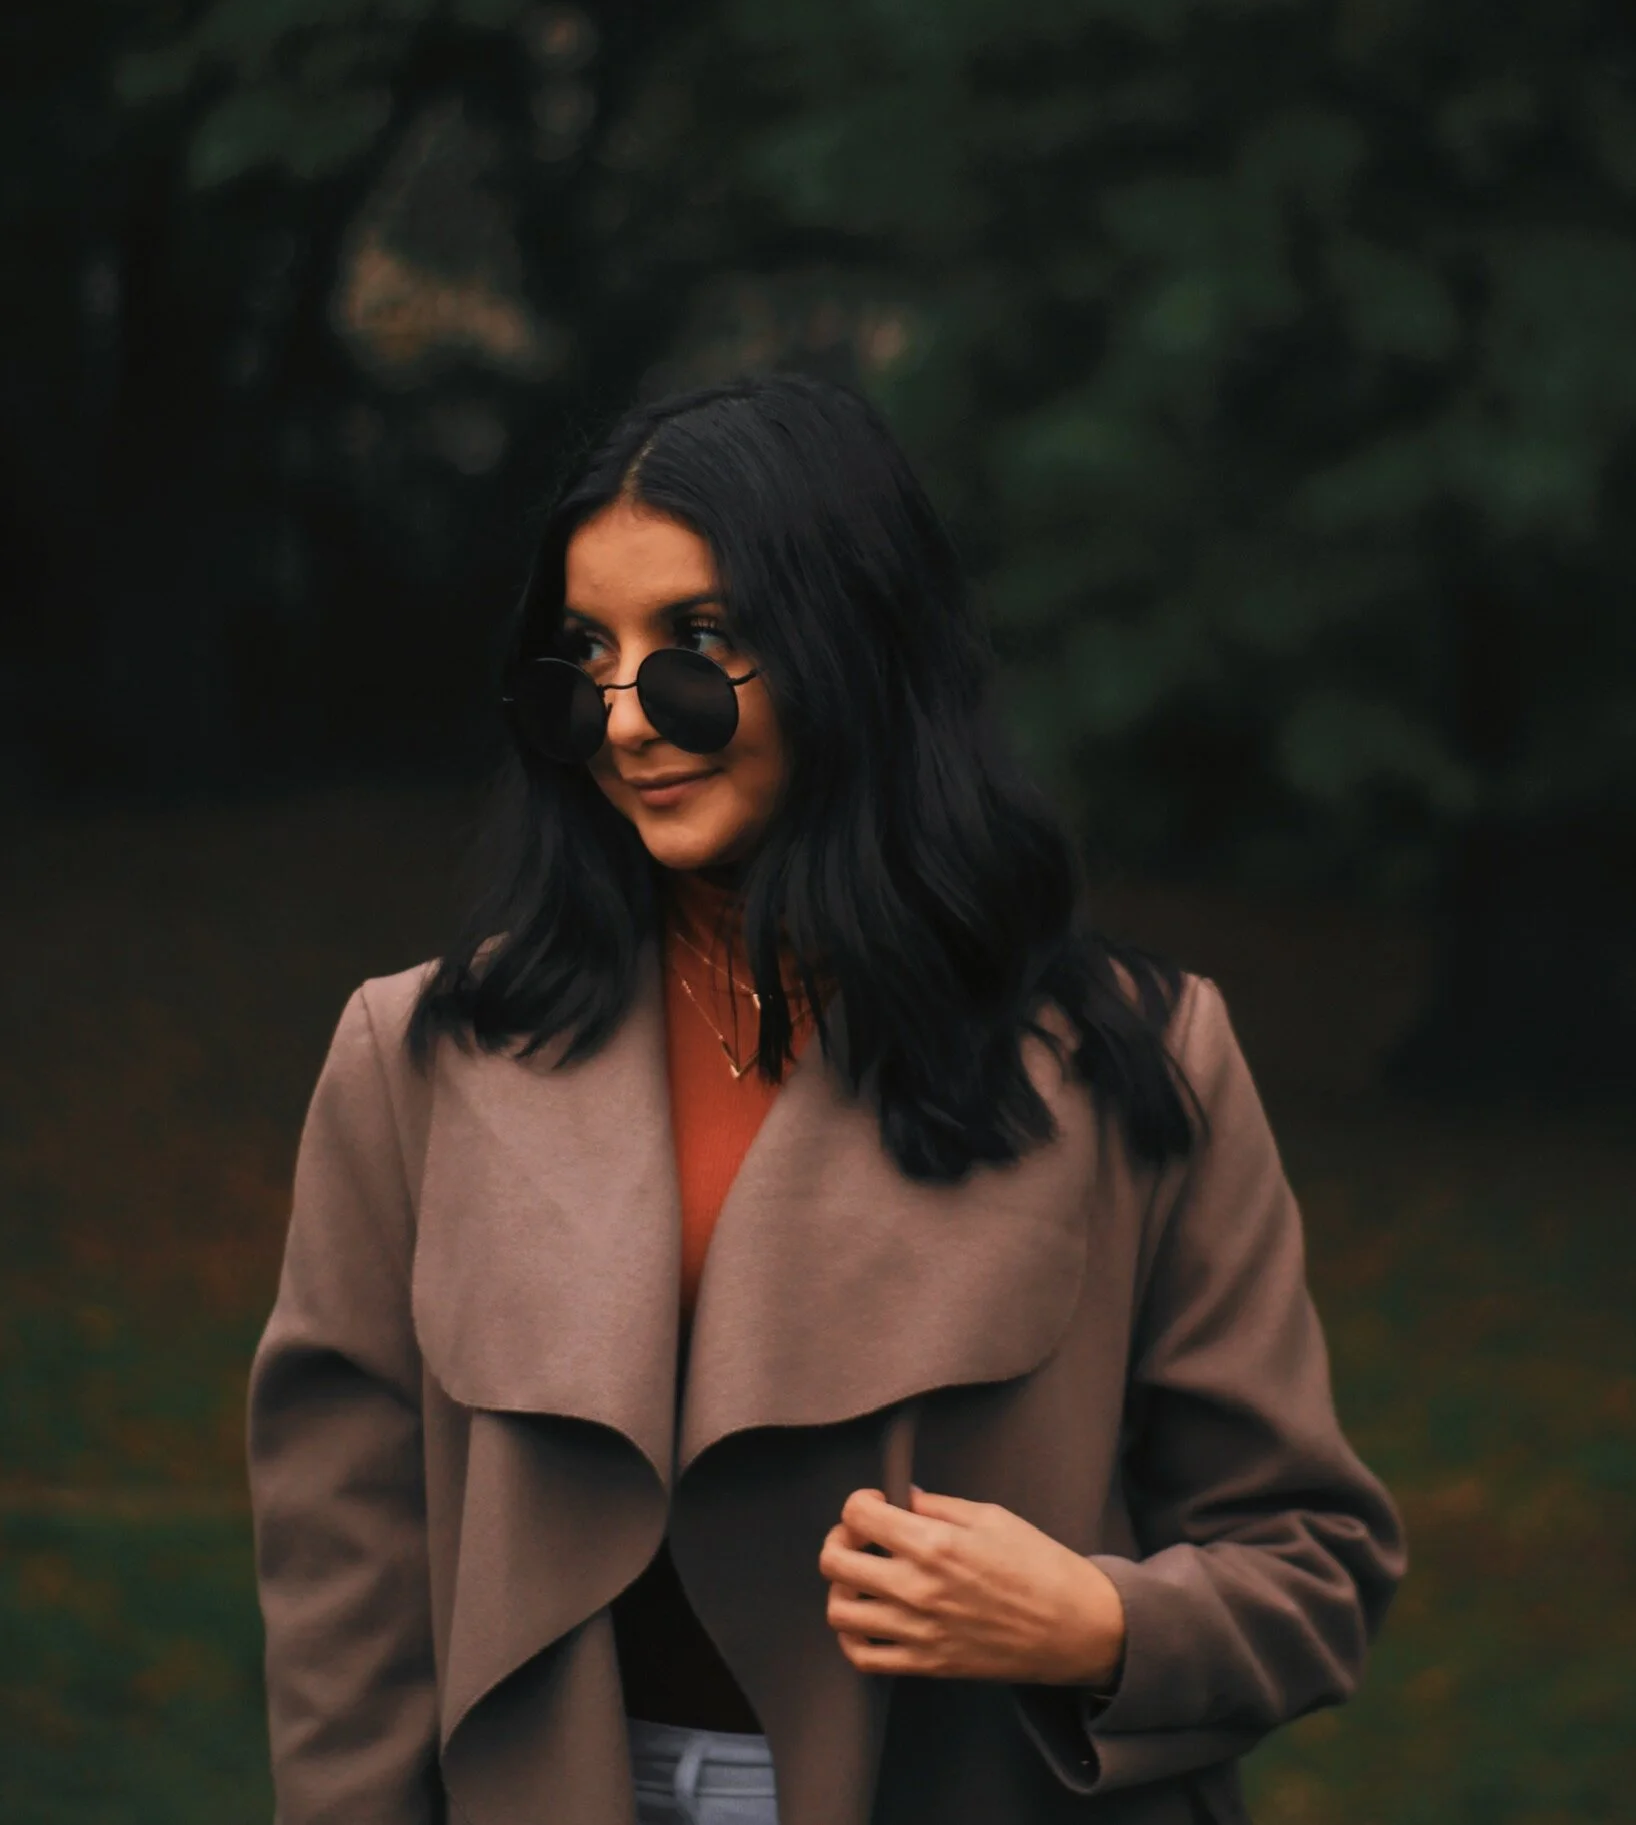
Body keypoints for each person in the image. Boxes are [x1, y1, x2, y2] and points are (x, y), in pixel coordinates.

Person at [248, 373, 1405, 1825]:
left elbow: (1312, 1562)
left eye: (696, 647)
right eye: (585, 658)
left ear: (855, 649)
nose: (626, 723)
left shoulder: (1134, 1061)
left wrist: (1097, 1627)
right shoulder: (419, 1059)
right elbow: (344, 1581)